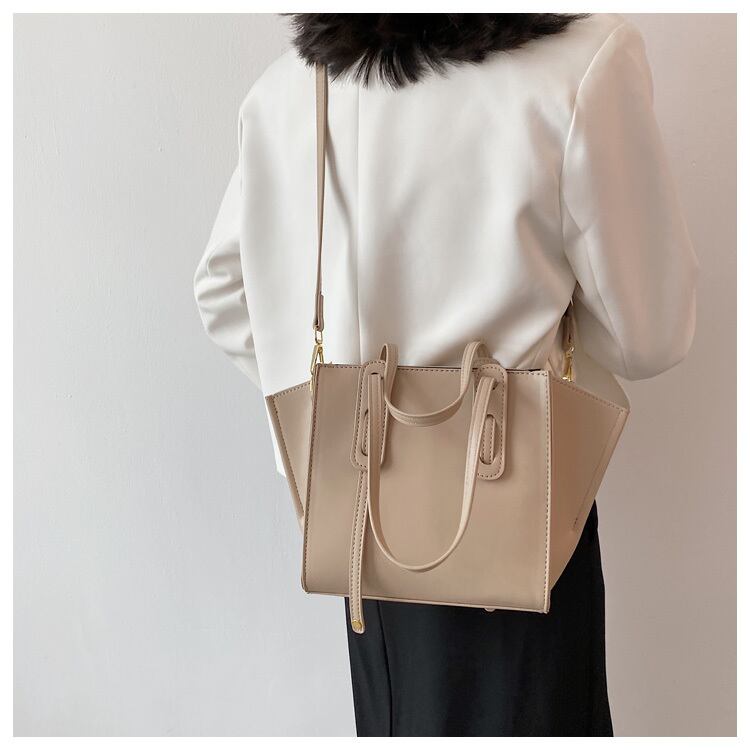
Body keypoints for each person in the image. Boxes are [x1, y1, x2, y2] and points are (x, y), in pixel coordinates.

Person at [194, 13, 698, 737]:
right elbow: (648, 336)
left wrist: (328, 405)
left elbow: (223, 290)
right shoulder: (583, 66)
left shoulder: (291, 89)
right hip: (521, 512)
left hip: (365, 527)